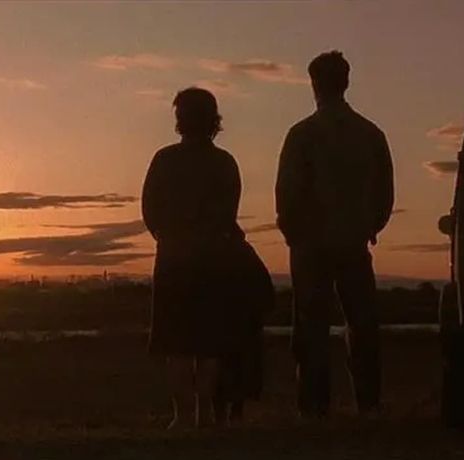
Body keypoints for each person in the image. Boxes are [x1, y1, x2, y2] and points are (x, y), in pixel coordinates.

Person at [275, 51, 394, 417]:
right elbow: (384, 193)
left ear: (315, 84)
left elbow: (287, 192)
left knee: (311, 326)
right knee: (362, 323)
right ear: (346, 82)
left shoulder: (302, 134)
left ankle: (314, 405)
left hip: (311, 245)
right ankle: (368, 401)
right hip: (353, 241)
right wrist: (369, 226)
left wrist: (293, 232)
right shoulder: (370, 134)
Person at [142, 87, 267, 429]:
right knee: (208, 343)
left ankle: (182, 416)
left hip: (174, 260)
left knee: (176, 344)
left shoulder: (165, 160)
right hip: (213, 260)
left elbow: (150, 210)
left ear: (180, 119)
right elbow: (229, 212)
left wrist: (167, 236)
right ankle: (205, 414)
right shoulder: (224, 163)